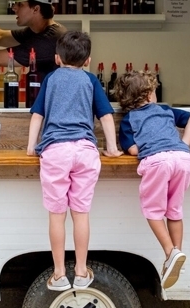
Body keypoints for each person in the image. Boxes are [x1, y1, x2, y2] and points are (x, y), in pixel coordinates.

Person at [26, 30, 122, 291]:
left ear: (57, 58)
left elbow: (37, 115)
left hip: (56, 151)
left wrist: (30, 147)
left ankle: (59, 274)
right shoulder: (91, 81)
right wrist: (112, 148)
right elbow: (105, 116)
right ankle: (80, 270)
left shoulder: (51, 79)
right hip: (85, 151)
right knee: (81, 214)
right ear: (88, 60)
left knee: (57, 216)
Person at [114, 70, 190, 289]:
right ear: (150, 93)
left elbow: (132, 149)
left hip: (158, 162)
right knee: (175, 209)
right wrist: (184, 143)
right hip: (183, 159)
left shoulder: (129, 119)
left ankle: (170, 252)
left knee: (153, 211)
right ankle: (176, 254)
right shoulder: (165, 110)